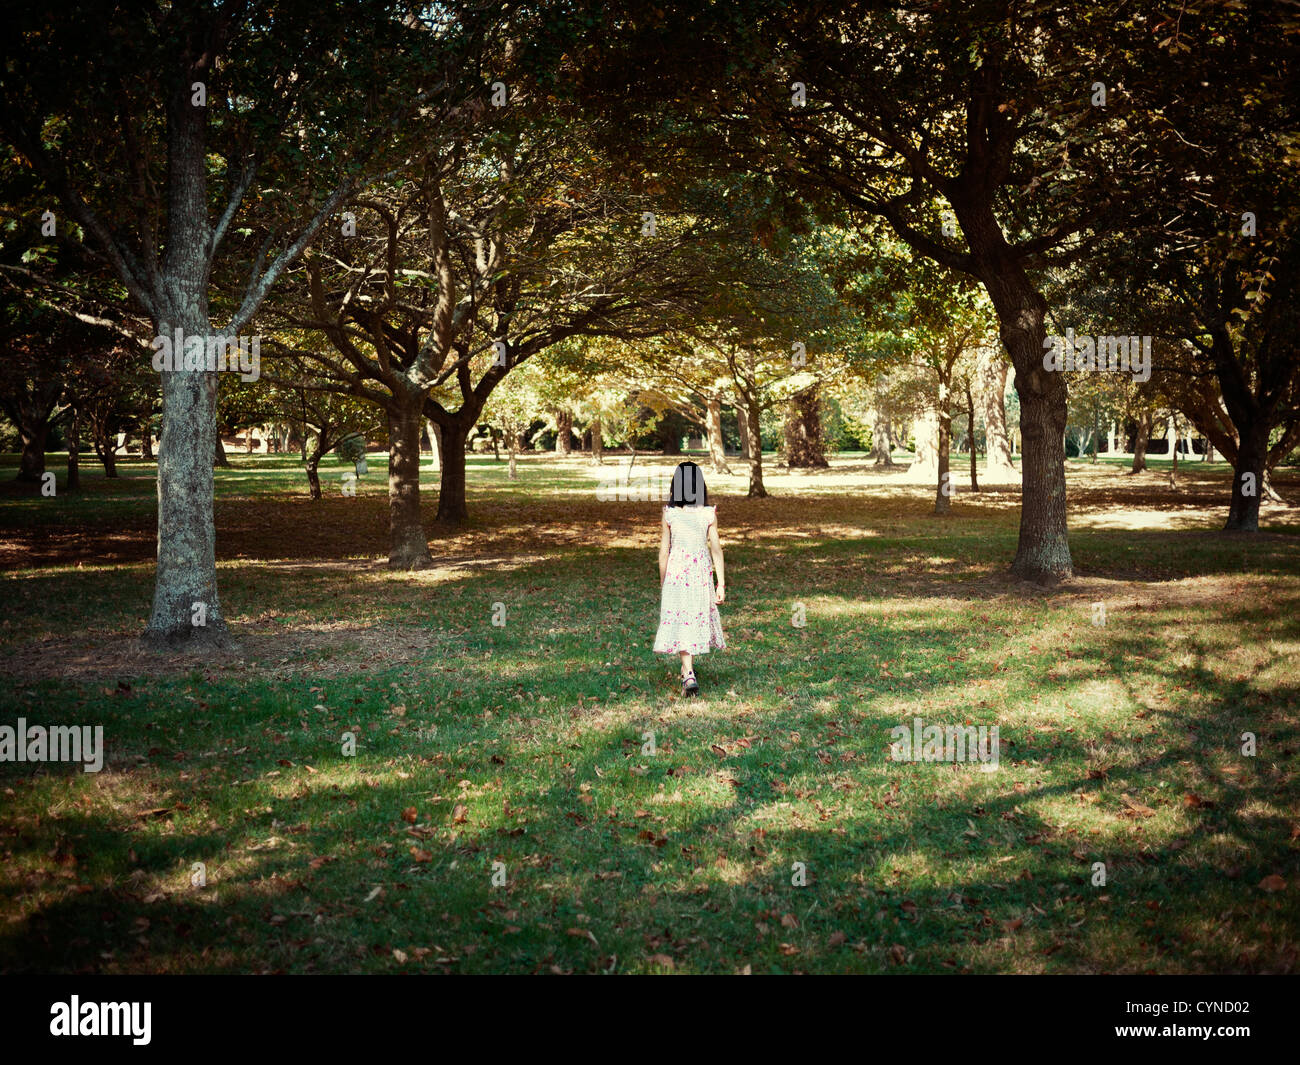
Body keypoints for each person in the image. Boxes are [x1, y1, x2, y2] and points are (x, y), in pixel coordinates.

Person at [653, 461, 726, 696]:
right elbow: (716, 549)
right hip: (699, 575)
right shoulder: (707, 513)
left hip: (676, 574)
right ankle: (688, 671)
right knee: (692, 619)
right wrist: (721, 583)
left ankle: (688, 672)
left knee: (682, 620)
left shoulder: (670, 513)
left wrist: (663, 581)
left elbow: (664, 551)